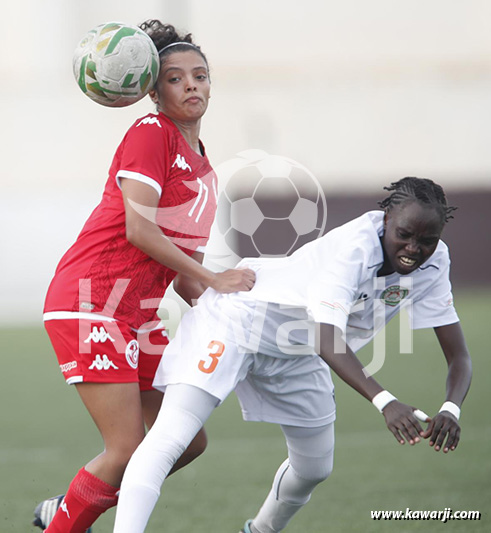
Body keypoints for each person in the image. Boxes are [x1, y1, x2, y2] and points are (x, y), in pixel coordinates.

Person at [111, 177, 472, 533]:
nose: (414, 248)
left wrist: (450, 408)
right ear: (386, 220)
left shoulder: (435, 263)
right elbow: (326, 339)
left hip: (297, 351)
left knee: (314, 468)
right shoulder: (355, 248)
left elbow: (459, 356)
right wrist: (385, 400)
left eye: (427, 240)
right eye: (405, 234)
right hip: (237, 323)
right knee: (171, 436)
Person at [33, 19, 255, 533]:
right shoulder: (151, 133)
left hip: (133, 315)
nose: (192, 85)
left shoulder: (204, 171)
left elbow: (185, 281)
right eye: (176, 78)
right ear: (152, 90)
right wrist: (216, 277)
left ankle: (67, 509)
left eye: (200, 75)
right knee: (128, 447)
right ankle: (68, 520)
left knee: (187, 440)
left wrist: (239, 316)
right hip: (90, 300)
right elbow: (139, 228)